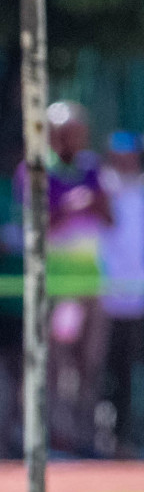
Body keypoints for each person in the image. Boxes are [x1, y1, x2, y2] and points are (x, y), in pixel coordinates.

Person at [17, 102, 113, 455]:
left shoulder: (92, 170)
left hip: (90, 285)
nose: (75, 140)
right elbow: (37, 224)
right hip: (54, 287)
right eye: (68, 133)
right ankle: (55, 439)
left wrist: (94, 203)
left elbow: (109, 218)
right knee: (53, 366)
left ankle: (88, 439)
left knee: (91, 366)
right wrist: (71, 206)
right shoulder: (37, 172)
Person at [100, 130, 144, 457]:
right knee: (108, 370)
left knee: (132, 370)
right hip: (106, 296)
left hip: (138, 296)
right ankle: (111, 438)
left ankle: (130, 436)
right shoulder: (101, 186)